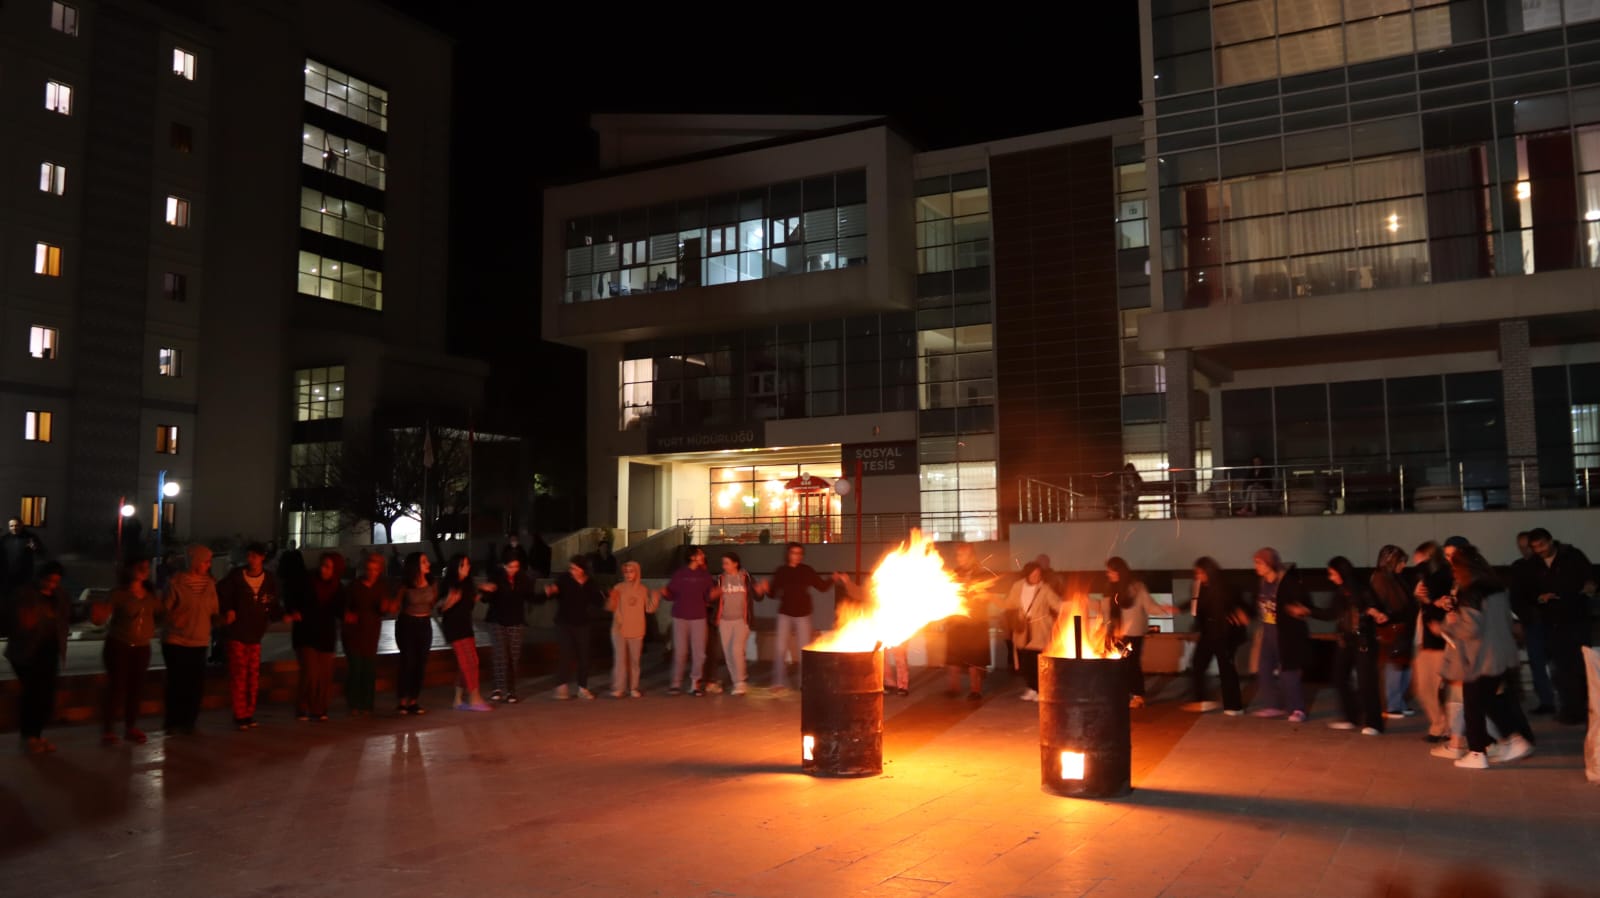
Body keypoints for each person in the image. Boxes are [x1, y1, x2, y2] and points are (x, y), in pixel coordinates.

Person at [1434, 547, 1536, 769]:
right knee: (1491, 701)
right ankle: (1515, 741)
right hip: (1501, 653)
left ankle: (1477, 752)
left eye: (1454, 566)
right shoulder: (1495, 586)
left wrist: (1449, 624)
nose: (1452, 572)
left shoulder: (1471, 591)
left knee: (1473, 705)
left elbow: (1471, 628)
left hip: (1480, 659)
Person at [1527, 527, 1596, 726]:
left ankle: (1581, 709)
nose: (1539, 550)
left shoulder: (1571, 556)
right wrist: (1539, 598)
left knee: (1577, 667)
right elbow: (1527, 591)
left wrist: (1589, 586)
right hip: (1553, 622)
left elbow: (1589, 577)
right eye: (1535, 547)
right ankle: (1570, 709)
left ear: (1550, 541)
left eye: (1541, 545)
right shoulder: (1534, 564)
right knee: (1562, 669)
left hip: (1575, 619)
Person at [94, 557, 161, 745]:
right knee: (117, 687)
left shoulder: (150, 594)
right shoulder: (119, 593)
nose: (143, 570)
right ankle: (108, 730)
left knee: (136, 689)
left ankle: (130, 727)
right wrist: (97, 615)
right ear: (130, 569)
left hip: (142, 648)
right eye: (140, 566)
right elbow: (102, 616)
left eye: (146, 567)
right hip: (119, 645)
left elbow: (162, 614)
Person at [216, 543, 283, 730]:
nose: (251, 559)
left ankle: (249, 712)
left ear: (262, 557)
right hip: (237, 633)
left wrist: (279, 615)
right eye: (249, 556)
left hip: (255, 634)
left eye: (255, 556)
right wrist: (228, 610)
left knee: (252, 675)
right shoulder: (236, 577)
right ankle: (240, 714)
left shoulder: (269, 580)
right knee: (239, 674)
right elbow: (222, 594)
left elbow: (273, 603)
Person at [1317, 556, 1386, 735]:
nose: (1330, 577)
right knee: (1339, 677)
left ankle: (1374, 723)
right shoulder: (1340, 592)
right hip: (1345, 641)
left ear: (1341, 572)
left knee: (1366, 683)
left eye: (1332, 573)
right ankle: (1350, 717)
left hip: (1363, 641)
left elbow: (1375, 607)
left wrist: (1376, 613)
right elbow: (1331, 613)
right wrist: (1308, 611)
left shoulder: (1361, 588)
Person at [763, 542, 844, 692]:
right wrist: (766, 590)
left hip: (803, 614)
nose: (797, 556)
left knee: (804, 649)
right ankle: (778, 682)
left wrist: (833, 578)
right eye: (794, 553)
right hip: (785, 613)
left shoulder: (806, 571)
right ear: (788, 554)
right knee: (780, 648)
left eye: (800, 553)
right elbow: (774, 593)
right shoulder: (781, 571)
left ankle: (804, 682)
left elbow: (822, 587)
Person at [6, 561, 68, 753]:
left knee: (46, 696)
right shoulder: (25, 594)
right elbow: (10, 618)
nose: (52, 585)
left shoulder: (59, 596)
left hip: (50, 652)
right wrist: (22, 623)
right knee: (33, 695)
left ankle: (37, 735)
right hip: (27, 652)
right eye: (49, 580)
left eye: (56, 581)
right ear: (40, 577)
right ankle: (29, 737)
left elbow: (67, 617)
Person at [162, 544, 221, 734]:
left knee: (195, 684)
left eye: (209, 561)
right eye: (205, 561)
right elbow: (163, 610)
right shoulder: (176, 583)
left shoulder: (210, 584)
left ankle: (189, 721)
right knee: (177, 682)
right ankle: (173, 721)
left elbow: (213, 610)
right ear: (195, 562)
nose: (208, 565)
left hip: (200, 640)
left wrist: (221, 619)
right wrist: (173, 618)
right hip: (176, 640)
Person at [1250, 547, 1311, 722]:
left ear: (1270, 563)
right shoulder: (1262, 583)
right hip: (1267, 631)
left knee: (1288, 672)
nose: (1257, 567)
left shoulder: (1286, 581)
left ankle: (1297, 708)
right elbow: (1256, 604)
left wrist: (1298, 609)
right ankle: (1272, 705)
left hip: (1285, 634)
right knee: (1264, 668)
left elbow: (1303, 602)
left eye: (1259, 563)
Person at [1102, 557, 1172, 709]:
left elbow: (1149, 606)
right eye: (1108, 571)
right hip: (1116, 633)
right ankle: (1122, 693)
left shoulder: (1136, 588)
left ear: (1119, 571)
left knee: (1132, 665)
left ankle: (1138, 695)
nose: (1109, 574)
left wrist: (1164, 610)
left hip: (1133, 633)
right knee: (1118, 665)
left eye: (1111, 571)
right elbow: (1106, 611)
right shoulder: (1111, 589)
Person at [1184, 556, 1249, 714]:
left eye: (1201, 573)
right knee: (1198, 664)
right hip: (1208, 633)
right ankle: (1202, 701)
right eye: (1197, 573)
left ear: (1209, 571)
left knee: (1226, 668)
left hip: (1224, 633)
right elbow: (1194, 604)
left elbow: (1238, 603)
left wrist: (1240, 613)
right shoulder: (1200, 587)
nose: (1198, 576)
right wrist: (1179, 609)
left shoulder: (1224, 586)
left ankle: (1234, 706)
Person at [291, 552, 347, 721]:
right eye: (323, 565)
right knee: (310, 671)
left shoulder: (338, 588)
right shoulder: (307, 582)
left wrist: (347, 615)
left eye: (328, 567)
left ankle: (319, 708)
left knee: (324, 674)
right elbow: (293, 599)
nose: (324, 570)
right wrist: (294, 611)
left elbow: (340, 609)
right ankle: (303, 706)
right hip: (306, 633)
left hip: (325, 635)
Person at [1411, 541, 1455, 743]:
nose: (1416, 566)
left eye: (1419, 561)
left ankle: (1445, 728)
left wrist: (1429, 602)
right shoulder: (1430, 578)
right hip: (1430, 640)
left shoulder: (1443, 577)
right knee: (1425, 688)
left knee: (1435, 688)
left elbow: (1444, 606)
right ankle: (1440, 725)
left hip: (1441, 641)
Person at [546, 555, 605, 699]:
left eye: (575, 568)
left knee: (584, 656)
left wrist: (606, 596)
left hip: (583, 623)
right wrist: (551, 591)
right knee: (565, 654)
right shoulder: (564, 579)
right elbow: (554, 592)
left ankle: (582, 688)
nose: (572, 570)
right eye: (570, 568)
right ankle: (561, 687)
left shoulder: (590, 583)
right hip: (564, 623)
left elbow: (598, 601)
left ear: (582, 569)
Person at [1508, 531, 1555, 715]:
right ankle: (1547, 700)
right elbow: (1516, 597)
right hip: (1532, 620)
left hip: (1548, 619)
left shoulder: (1541, 565)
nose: (1524, 550)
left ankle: (1554, 699)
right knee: (1537, 661)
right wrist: (1518, 619)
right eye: (1521, 547)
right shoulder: (1520, 567)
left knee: (1552, 660)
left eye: (1526, 546)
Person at [436, 554, 490, 712]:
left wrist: (481, 592)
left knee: (467, 662)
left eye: (468, 564)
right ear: (457, 567)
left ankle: (458, 700)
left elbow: (469, 603)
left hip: (466, 626)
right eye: (465, 565)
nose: (468, 567)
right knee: (469, 661)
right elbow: (439, 608)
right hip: (454, 628)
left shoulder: (467, 584)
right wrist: (449, 602)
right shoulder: (448, 584)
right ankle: (474, 697)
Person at [342, 552, 394, 716]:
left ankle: (367, 704)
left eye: (376, 569)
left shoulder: (381, 586)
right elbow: (344, 606)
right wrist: (347, 615)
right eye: (369, 569)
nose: (372, 572)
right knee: (356, 669)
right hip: (355, 633)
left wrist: (386, 607)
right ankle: (354, 704)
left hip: (371, 632)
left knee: (369, 669)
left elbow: (383, 608)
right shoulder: (355, 586)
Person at [662, 546, 717, 696]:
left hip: (699, 617)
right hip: (680, 616)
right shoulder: (680, 574)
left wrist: (715, 594)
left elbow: (708, 597)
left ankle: (695, 684)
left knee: (699, 653)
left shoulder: (704, 575)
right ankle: (676, 684)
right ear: (692, 557)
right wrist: (664, 593)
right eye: (699, 553)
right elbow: (671, 594)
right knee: (680, 651)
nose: (702, 556)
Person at [1370, 545, 1416, 719]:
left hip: (1402, 627)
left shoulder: (1396, 578)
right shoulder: (1382, 578)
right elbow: (1385, 603)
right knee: (1395, 667)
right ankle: (1392, 704)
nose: (1403, 566)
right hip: (1392, 628)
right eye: (1401, 562)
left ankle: (1398, 702)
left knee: (1403, 666)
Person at [1006, 562, 1062, 702]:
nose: (1037, 577)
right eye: (1034, 574)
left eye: (1039, 574)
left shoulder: (1044, 588)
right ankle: (1031, 687)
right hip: (1022, 629)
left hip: (1039, 629)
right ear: (1027, 574)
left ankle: (1040, 689)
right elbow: (1009, 604)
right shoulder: (1018, 586)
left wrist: (1072, 607)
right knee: (1025, 662)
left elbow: (1057, 604)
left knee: (1037, 660)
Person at [484, 552, 536, 703]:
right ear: (504, 565)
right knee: (500, 654)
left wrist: (546, 594)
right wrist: (486, 591)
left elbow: (530, 597)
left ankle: (511, 690)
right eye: (510, 566)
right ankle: (498, 688)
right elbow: (487, 598)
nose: (514, 569)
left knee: (513, 655)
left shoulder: (524, 579)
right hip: (497, 621)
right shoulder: (496, 577)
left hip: (516, 621)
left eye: (516, 566)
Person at [945, 544, 994, 701]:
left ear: (971, 556)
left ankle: (975, 689)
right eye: (958, 555)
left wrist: (976, 595)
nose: (959, 558)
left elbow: (987, 596)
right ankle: (953, 687)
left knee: (975, 658)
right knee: (953, 657)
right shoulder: (954, 574)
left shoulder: (981, 574)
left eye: (962, 555)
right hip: (956, 623)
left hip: (975, 624)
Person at [607, 560, 658, 697]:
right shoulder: (618, 587)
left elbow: (649, 609)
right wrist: (611, 599)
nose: (628, 574)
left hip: (637, 629)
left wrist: (655, 597)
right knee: (620, 660)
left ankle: (634, 687)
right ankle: (619, 687)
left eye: (631, 571)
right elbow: (612, 607)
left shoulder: (643, 589)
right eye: (626, 572)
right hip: (620, 630)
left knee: (635, 661)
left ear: (637, 573)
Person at [395, 552, 437, 716]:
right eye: (424, 562)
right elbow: (396, 604)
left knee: (421, 662)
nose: (428, 564)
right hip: (408, 623)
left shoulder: (432, 582)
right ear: (415, 566)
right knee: (408, 662)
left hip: (425, 623)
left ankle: (413, 700)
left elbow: (432, 603)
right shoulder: (405, 584)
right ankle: (402, 701)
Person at [711, 551, 757, 696]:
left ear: (735, 563)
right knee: (728, 653)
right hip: (724, 621)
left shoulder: (745, 577)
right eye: (723, 563)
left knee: (737, 650)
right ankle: (736, 681)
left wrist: (761, 590)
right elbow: (712, 598)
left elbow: (757, 594)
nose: (724, 566)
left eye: (727, 563)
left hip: (741, 620)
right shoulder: (720, 579)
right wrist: (714, 594)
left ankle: (741, 682)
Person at [0, 518, 45, 639]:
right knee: (7, 604)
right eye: (11, 526)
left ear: (22, 525)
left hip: (24, 578)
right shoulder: (5, 539)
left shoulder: (30, 537)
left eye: (16, 525)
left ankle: (22, 628)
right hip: (7, 578)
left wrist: (35, 548)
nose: (14, 528)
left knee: (23, 604)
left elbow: (42, 552)